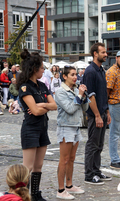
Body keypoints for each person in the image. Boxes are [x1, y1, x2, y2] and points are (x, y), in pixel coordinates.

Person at [17, 49, 57, 200]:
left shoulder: (42, 85)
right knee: (28, 167)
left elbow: (54, 106)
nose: (44, 70)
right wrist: (44, 105)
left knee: (38, 166)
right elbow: (34, 110)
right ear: (34, 69)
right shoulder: (24, 87)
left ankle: (35, 194)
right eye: (42, 68)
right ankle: (23, 196)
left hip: (42, 128)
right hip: (30, 129)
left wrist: (42, 106)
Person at [55, 66, 88, 199]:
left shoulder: (74, 90)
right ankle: (60, 190)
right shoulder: (61, 92)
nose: (75, 77)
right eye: (72, 75)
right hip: (65, 126)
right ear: (65, 76)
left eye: (76, 74)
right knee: (64, 159)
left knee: (72, 159)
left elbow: (84, 108)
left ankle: (69, 185)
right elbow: (69, 109)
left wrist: (84, 97)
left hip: (76, 126)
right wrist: (79, 96)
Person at [83, 43, 112, 185]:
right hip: (95, 115)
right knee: (92, 144)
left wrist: (107, 112)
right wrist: (97, 115)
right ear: (95, 53)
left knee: (99, 145)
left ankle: (96, 170)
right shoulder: (90, 71)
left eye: (105, 52)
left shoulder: (101, 70)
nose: (106, 54)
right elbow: (91, 96)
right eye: (103, 52)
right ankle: (89, 175)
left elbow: (103, 94)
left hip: (102, 112)